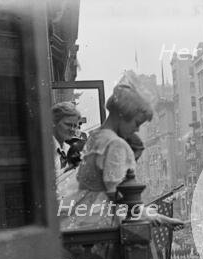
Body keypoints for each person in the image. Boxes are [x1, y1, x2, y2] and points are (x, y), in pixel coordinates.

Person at [59, 83, 182, 230]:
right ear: (123, 115)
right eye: (136, 123)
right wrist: (155, 217)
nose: (136, 129)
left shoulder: (96, 137)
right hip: (92, 228)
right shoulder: (115, 144)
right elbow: (122, 199)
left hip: (72, 223)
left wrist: (155, 216)